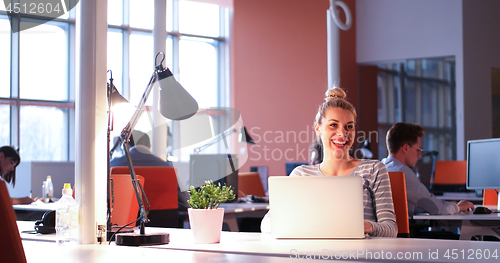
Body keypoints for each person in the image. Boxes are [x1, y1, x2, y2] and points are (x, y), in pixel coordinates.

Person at [261, 87, 397, 237]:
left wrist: (366, 226)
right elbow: (267, 223)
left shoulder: (374, 169)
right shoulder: (301, 174)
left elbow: (391, 229)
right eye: (333, 125)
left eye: (349, 127)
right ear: (318, 128)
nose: (342, 133)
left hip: (361, 255)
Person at [381, 122, 474, 216]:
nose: (420, 155)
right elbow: (437, 209)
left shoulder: (381, 167)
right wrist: (459, 207)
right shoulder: (402, 172)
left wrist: (447, 205)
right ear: (405, 148)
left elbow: (412, 206)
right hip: (405, 230)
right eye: (418, 150)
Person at [110, 130, 190, 212]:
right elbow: (185, 202)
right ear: (149, 146)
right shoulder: (166, 167)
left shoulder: (113, 165)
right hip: (163, 221)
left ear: (126, 147)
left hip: (122, 222)